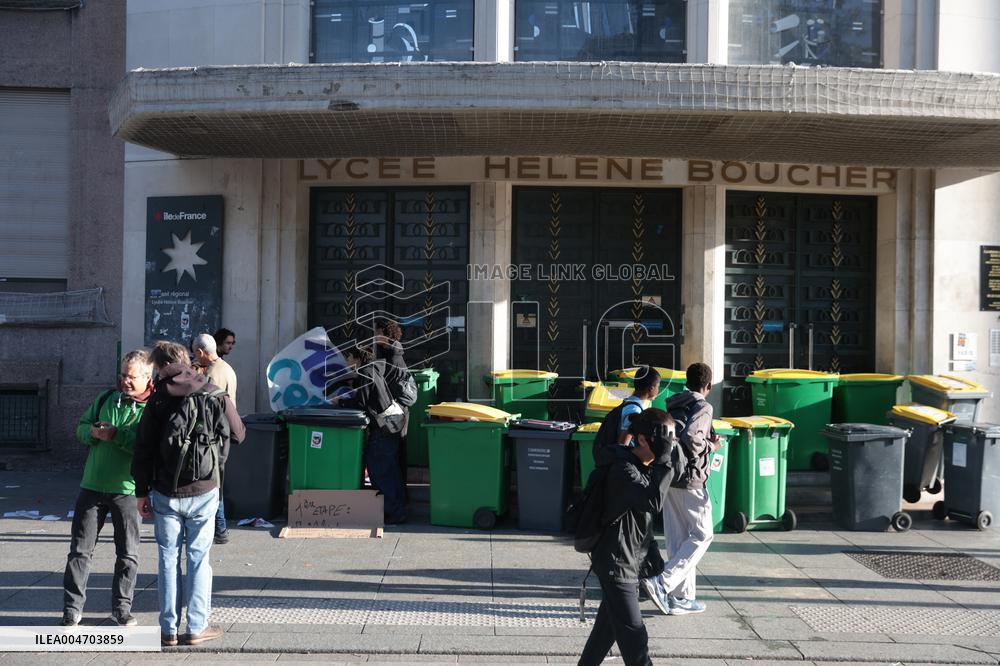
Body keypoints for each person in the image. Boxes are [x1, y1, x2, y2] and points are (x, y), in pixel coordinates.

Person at [132, 341, 245, 647]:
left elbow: (142, 449)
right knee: (198, 558)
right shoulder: (211, 391)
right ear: (187, 359)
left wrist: (141, 491)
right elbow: (238, 433)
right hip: (205, 488)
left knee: (167, 559)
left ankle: (167, 629)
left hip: (166, 491)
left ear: (158, 366)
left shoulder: (156, 400)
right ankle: (196, 626)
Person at [62, 350, 153, 627]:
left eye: (131, 376)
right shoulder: (105, 398)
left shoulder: (152, 409)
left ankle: (121, 609)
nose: (125, 380)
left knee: (127, 554)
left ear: (147, 377)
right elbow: (80, 426)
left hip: (126, 489)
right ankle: (71, 609)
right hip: (91, 486)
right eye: (122, 374)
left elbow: (144, 446)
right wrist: (92, 432)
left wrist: (116, 435)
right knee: (79, 552)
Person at [578, 409, 676, 666]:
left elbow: (642, 517)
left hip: (626, 561)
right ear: (643, 440)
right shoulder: (623, 469)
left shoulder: (642, 467)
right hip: (616, 564)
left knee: (604, 634)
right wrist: (664, 460)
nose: (669, 447)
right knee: (636, 642)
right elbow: (652, 501)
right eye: (666, 441)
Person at [644, 362, 721, 616]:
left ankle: (682, 598)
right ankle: (662, 582)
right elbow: (692, 439)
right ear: (708, 386)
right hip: (691, 479)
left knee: (678, 540)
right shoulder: (704, 406)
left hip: (670, 476)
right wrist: (712, 446)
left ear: (686, 381)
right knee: (702, 535)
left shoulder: (673, 403)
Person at [331, 345, 407, 524]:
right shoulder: (373, 369)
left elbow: (360, 405)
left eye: (348, 358)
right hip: (391, 425)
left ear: (357, 358)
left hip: (381, 428)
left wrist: (340, 403)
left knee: (380, 471)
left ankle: (395, 512)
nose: (347, 363)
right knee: (390, 470)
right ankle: (398, 509)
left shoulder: (364, 374)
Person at [191, 332, 238, 544]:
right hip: (222, 434)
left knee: (212, 483)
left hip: (213, 437)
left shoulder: (214, 373)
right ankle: (218, 528)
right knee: (215, 481)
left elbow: (207, 407)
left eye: (195, 354)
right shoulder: (225, 368)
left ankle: (220, 528)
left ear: (201, 352)